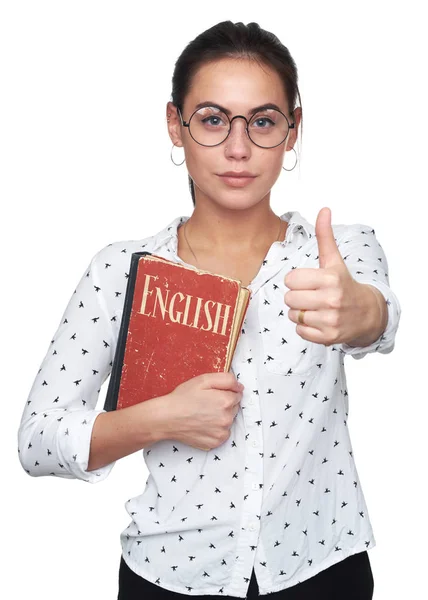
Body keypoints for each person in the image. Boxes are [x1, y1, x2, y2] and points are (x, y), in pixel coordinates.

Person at [18, 20, 401, 600]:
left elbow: (378, 318)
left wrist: (363, 313)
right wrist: (161, 419)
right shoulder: (120, 270)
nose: (239, 148)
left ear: (294, 129)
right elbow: (38, 440)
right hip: (169, 575)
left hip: (320, 568)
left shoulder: (337, 254)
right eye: (213, 119)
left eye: (264, 121)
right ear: (176, 125)